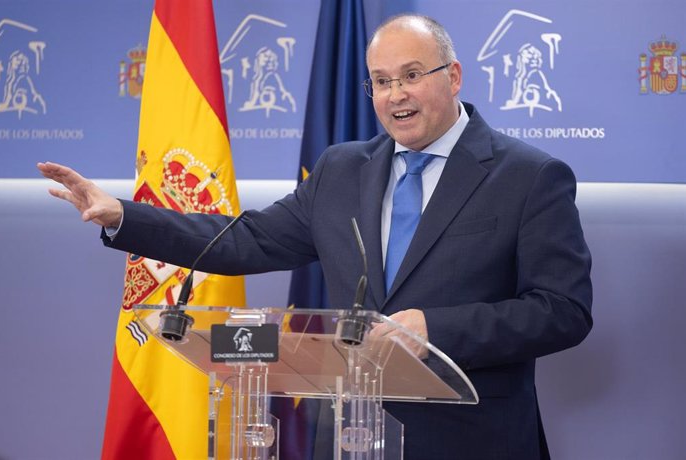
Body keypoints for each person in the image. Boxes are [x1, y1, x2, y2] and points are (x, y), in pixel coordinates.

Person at [38, 14, 592, 460]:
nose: (395, 94)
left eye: (412, 74)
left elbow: (563, 310)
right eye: (380, 81)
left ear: (454, 76)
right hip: (355, 436)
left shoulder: (529, 176)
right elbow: (242, 240)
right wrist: (122, 217)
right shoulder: (342, 170)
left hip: (474, 439)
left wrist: (435, 328)